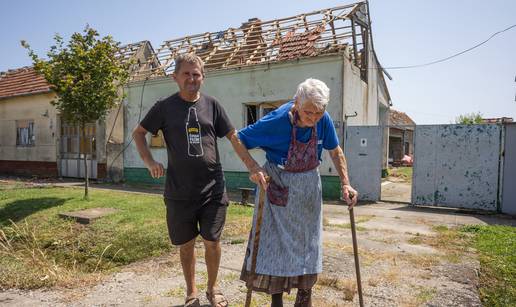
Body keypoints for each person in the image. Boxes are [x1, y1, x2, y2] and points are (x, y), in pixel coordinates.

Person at [228, 78, 358, 307]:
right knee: (275, 244)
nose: (314, 118)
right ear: (296, 102)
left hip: (308, 188)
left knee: (308, 244)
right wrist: (253, 167)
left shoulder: (322, 119)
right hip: (277, 184)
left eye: (319, 113)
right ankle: (276, 299)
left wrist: (345, 183)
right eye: (309, 113)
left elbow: (335, 151)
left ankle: (304, 295)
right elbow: (237, 138)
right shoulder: (276, 120)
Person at [132, 54, 231, 307]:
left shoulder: (212, 105)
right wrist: (150, 162)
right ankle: (191, 292)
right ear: (175, 77)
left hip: (212, 187)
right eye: (186, 74)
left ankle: (212, 288)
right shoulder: (165, 107)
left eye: (196, 74)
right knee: (186, 245)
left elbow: (232, 135)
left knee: (212, 241)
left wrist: (252, 164)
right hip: (179, 190)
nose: (191, 78)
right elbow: (139, 133)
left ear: (203, 78)